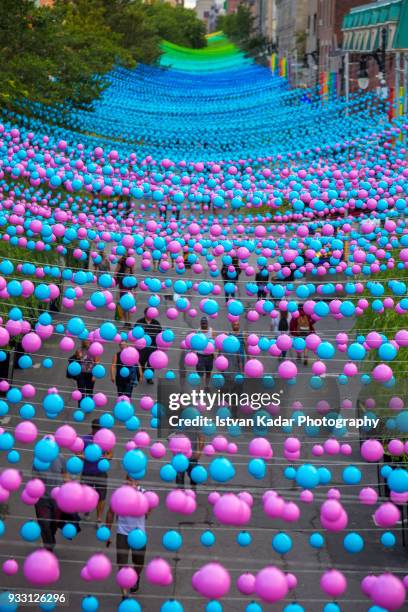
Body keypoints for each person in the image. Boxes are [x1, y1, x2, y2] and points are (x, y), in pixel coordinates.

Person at [105, 475, 149, 597]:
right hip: (122, 532)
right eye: (129, 480)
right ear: (126, 480)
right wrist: (107, 533)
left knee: (139, 562)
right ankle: (124, 593)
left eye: (134, 480)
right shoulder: (119, 494)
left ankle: (136, 576)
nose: (132, 483)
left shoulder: (144, 494)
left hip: (139, 534)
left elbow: (148, 512)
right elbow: (110, 513)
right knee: (122, 563)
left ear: (138, 481)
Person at [33, 448, 80, 551]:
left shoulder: (61, 458)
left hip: (57, 498)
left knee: (53, 523)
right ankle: (48, 546)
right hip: (42, 499)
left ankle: (50, 540)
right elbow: (34, 477)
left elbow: (65, 474)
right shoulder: (38, 460)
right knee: (44, 523)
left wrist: (69, 489)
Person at [80, 419, 112, 528]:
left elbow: (110, 454)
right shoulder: (84, 440)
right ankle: (87, 510)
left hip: (101, 473)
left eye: (100, 429)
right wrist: (85, 457)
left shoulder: (105, 440)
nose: (98, 431)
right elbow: (78, 453)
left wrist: (107, 457)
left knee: (101, 497)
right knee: (86, 495)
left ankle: (99, 519)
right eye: (96, 429)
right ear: (92, 428)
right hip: (87, 472)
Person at [137, 307, 162, 384]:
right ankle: (139, 376)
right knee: (141, 362)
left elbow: (160, 334)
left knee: (151, 364)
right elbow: (135, 333)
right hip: (142, 348)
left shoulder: (156, 323)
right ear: (145, 314)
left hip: (152, 347)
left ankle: (149, 378)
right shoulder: (139, 322)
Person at [114, 255, 134, 327]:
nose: (127, 271)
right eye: (126, 270)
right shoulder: (122, 277)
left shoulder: (131, 278)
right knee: (125, 308)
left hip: (129, 293)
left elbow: (134, 286)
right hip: (123, 293)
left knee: (128, 309)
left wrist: (133, 293)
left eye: (129, 270)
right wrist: (117, 295)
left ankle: (128, 322)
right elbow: (119, 287)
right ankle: (126, 322)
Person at [195, 317, 214, 389]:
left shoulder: (211, 331)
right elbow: (195, 342)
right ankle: (201, 387)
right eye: (202, 323)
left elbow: (215, 343)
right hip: (200, 355)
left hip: (209, 355)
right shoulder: (198, 331)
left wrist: (216, 355)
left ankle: (206, 386)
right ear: (200, 324)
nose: (203, 325)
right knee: (200, 373)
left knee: (208, 372)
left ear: (207, 323)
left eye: (205, 323)